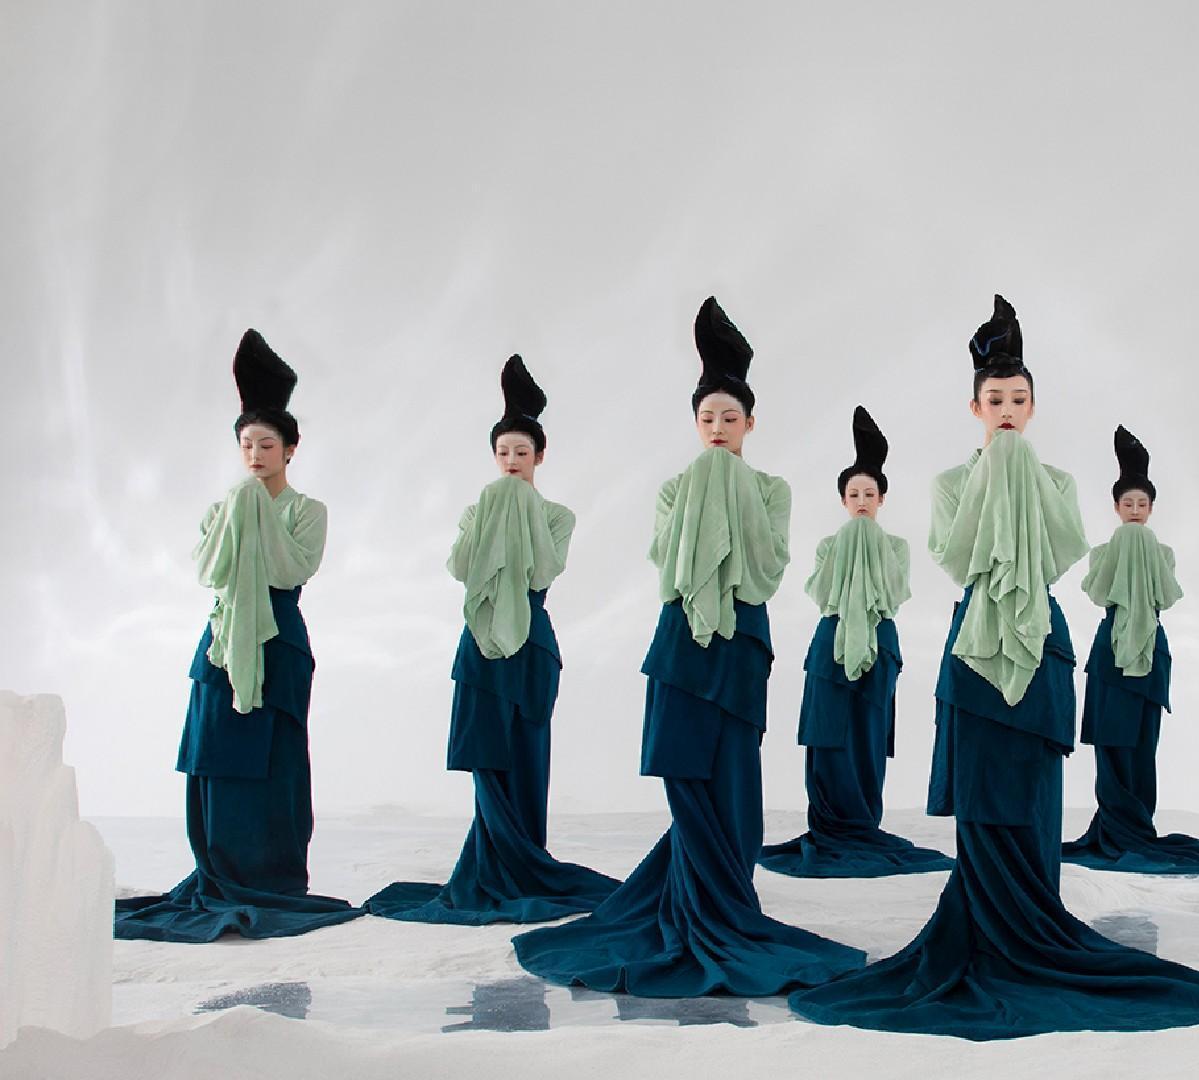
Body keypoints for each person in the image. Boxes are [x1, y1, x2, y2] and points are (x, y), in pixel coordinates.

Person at [788, 296, 1199, 1039]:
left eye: (1018, 401)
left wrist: (1016, 466)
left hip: (1042, 644)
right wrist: (997, 467)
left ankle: (1036, 919)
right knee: (982, 793)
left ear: (1033, 408)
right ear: (975, 408)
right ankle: (985, 924)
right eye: (994, 400)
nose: (1005, 411)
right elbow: (958, 555)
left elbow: (1058, 554)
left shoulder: (1055, 481)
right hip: (975, 644)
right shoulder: (950, 484)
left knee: (1031, 795)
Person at [513, 298, 864, 996]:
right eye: (707, 419)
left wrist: (728, 483)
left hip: (741, 642)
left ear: (751, 424)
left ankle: (724, 901)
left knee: (734, 782)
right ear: (695, 424)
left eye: (730, 418)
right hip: (681, 641)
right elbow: (668, 565)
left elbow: (765, 570)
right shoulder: (676, 487)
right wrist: (708, 482)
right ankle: (693, 904)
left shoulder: (772, 490)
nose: (718, 429)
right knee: (685, 774)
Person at [114, 329, 363, 942]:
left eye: (267, 444)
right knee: (214, 755)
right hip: (222, 641)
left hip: (279, 641)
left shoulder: (307, 511)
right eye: (246, 444)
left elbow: (290, 569)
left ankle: (271, 876)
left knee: (276, 764)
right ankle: (219, 872)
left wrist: (253, 509)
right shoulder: (223, 507)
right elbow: (210, 570)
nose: (255, 454)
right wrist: (241, 507)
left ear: (290, 450)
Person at [366, 355, 618, 924]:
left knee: (527, 758)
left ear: (540, 457)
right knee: (486, 755)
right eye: (503, 453)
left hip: (531, 642)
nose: (511, 462)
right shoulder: (477, 509)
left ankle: (526, 860)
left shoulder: (557, 515)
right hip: (480, 644)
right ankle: (491, 861)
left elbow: (542, 572)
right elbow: (461, 568)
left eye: (521, 453)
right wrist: (490, 513)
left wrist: (520, 506)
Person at [760, 406, 954, 878]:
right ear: (843, 500)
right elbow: (822, 592)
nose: (862, 501)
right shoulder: (830, 544)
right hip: (831, 642)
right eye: (854, 495)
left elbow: (893, 594)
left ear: (882, 499)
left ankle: (863, 820)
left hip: (879, 641)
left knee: (867, 735)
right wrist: (853, 538)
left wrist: (868, 540)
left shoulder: (896, 546)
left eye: (870, 494)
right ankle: (828, 821)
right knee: (827, 734)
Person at [1062, 425, 1199, 875]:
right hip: (1110, 650)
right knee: (1111, 740)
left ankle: (1138, 821)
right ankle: (1114, 821)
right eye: (1127, 504)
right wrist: (1124, 547)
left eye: (1141, 505)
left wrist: (1142, 548)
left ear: (1151, 509)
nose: (1134, 511)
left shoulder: (1162, 552)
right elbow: (1097, 592)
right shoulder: (1102, 551)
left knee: (1144, 743)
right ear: (1115, 508)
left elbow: (1166, 596)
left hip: (1150, 650)